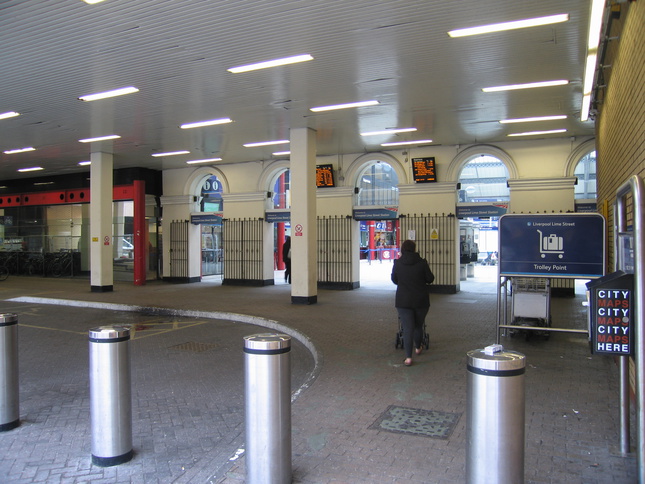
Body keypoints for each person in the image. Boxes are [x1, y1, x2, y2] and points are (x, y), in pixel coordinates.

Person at [391, 239, 435, 366]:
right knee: (418, 325)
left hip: (403, 301)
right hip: (421, 300)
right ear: (414, 249)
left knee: (407, 328)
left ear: (402, 249)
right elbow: (430, 279)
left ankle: (408, 358)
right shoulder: (422, 263)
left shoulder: (397, 263)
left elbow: (394, 279)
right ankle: (418, 348)